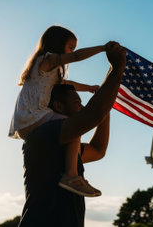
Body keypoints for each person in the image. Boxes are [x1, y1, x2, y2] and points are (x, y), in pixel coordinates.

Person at [19, 43, 126, 227]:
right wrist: (117, 69)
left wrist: (105, 107)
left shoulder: (67, 143)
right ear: (59, 107)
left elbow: (98, 150)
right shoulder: (45, 134)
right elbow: (92, 115)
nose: (83, 107)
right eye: (77, 102)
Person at [9, 25, 113, 196]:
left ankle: (72, 173)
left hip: (28, 121)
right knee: (75, 126)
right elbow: (77, 57)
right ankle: (71, 176)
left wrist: (89, 88)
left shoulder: (48, 71)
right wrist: (102, 48)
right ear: (57, 43)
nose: (72, 52)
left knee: (74, 128)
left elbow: (67, 84)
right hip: (32, 117)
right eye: (70, 47)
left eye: (73, 49)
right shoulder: (46, 60)